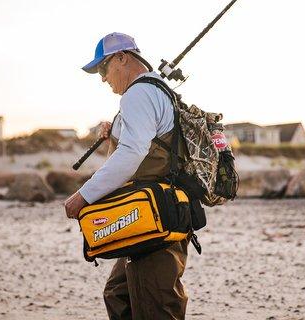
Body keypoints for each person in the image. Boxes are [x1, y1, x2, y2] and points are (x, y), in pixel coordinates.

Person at [64, 32, 189, 319]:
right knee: (119, 293)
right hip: (155, 212)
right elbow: (137, 147)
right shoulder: (152, 90)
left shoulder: (139, 93)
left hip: (154, 213)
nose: (103, 78)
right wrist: (115, 132)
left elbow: (132, 155)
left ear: (122, 58)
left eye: (103, 68)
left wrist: (83, 196)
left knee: (155, 305)